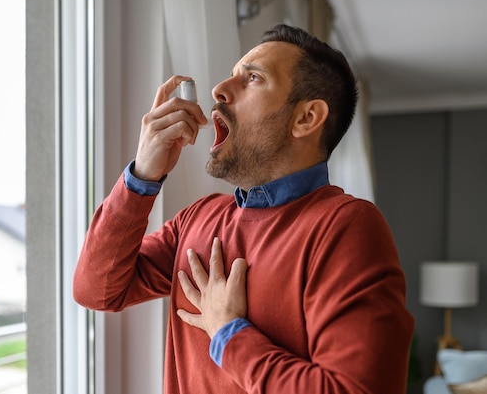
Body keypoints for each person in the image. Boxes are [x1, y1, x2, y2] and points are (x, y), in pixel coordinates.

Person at [73, 23, 414, 394]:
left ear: (306, 118)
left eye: (252, 78)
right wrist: (142, 175)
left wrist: (229, 334)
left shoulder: (347, 227)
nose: (220, 89)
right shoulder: (198, 218)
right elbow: (96, 290)